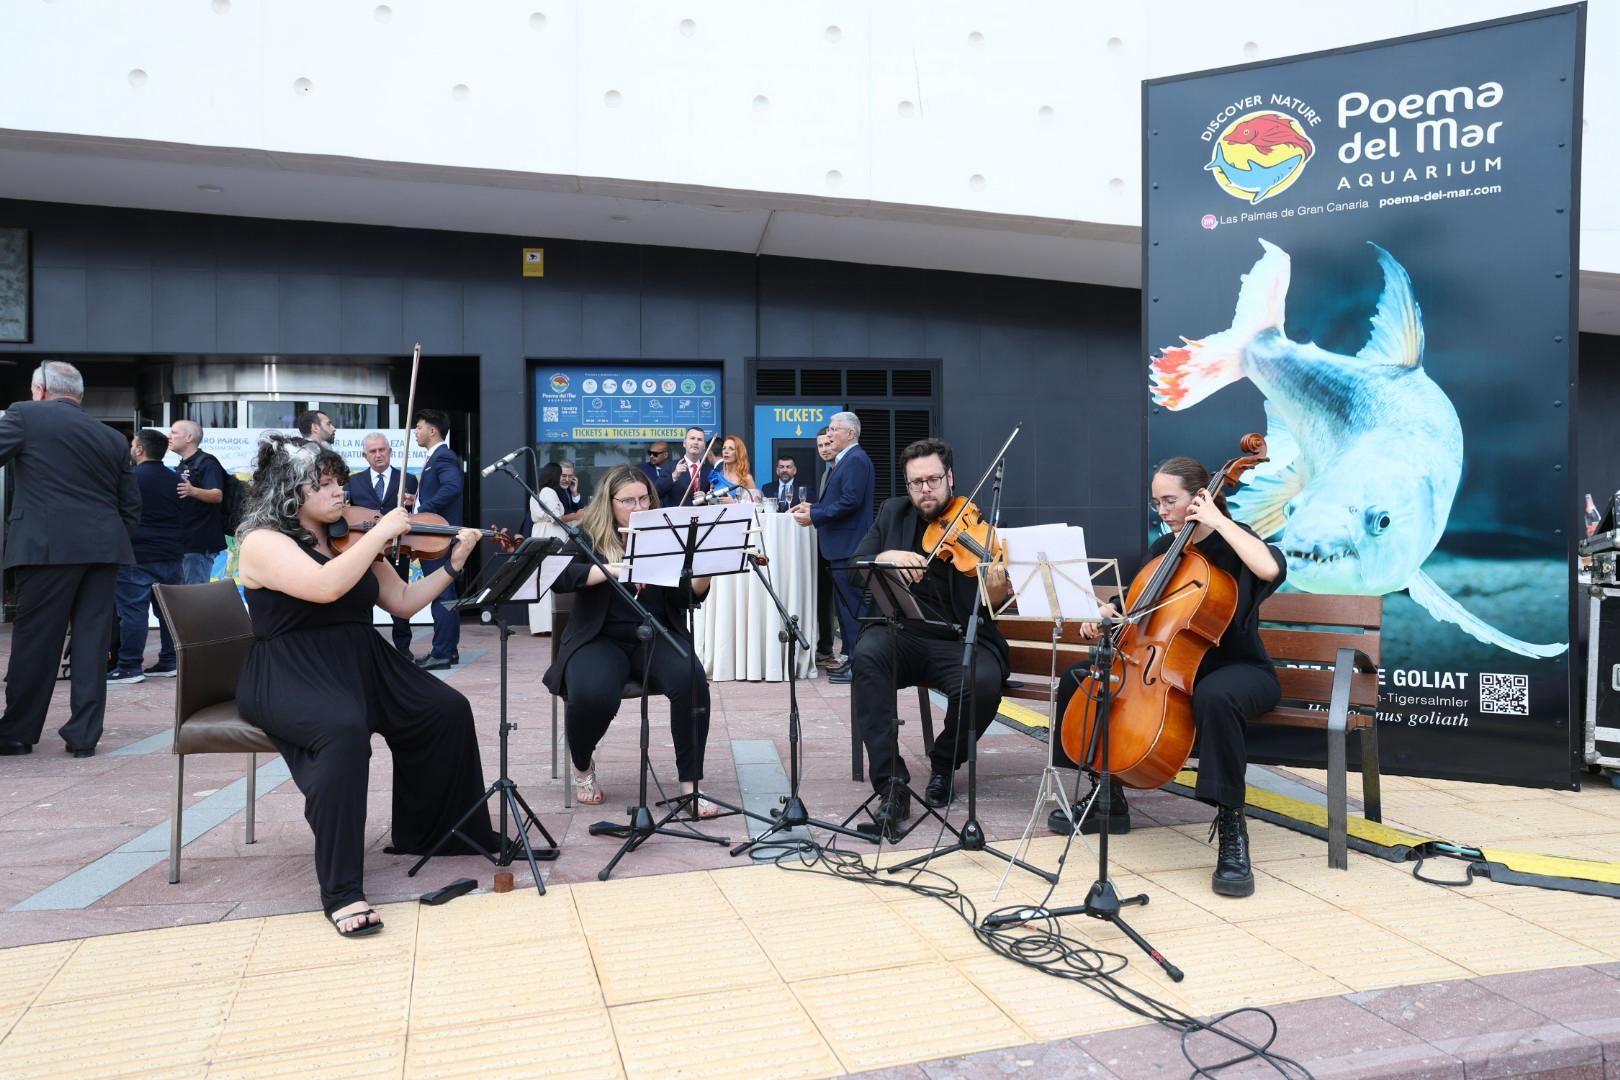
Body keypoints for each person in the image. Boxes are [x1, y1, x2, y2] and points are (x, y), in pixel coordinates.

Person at [235, 434, 497, 937]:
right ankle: (341, 890)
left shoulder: (350, 536)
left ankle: (433, 832)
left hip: (360, 657)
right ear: (289, 492)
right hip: (291, 666)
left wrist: (453, 566)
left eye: (339, 481)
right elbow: (324, 587)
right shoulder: (263, 541)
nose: (340, 492)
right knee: (343, 734)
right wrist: (378, 536)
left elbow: (402, 602)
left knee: (444, 709)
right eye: (326, 484)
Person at [1048, 456, 1285, 899]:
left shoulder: (1237, 544)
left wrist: (1216, 519)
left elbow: (1270, 569)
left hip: (1236, 670)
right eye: (1157, 502)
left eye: (1170, 500)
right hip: (1168, 667)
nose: (1162, 510)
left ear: (1199, 498)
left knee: (1215, 696)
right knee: (1082, 677)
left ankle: (1232, 825)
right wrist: (1106, 616)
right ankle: (1107, 796)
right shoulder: (1164, 551)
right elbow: (1135, 609)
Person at [848, 438, 1009, 835]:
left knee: (983, 682)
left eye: (933, 480)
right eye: (916, 482)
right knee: (867, 657)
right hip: (904, 633)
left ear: (949, 478)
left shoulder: (975, 525)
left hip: (959, 638)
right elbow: (857, 565)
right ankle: (892, 786)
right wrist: (887, 557)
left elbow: (993, 606)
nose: (925, 490)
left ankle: (943, 762)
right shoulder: (893, 513)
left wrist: (998, 585)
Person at [541, 465, 718, 815]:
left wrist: (704, 574)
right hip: (599, 637)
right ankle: (582, 765)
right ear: (609, 503)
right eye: (628, 501)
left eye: (644, 499)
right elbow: (559, 577)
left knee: (692, 680)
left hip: (654, 632)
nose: (639, 508)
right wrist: (609, 570)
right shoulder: (588, 536)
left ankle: (689, 785)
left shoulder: (667, 535)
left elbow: (684, 597)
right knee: (593, 695)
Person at [0, 363, 141, 757]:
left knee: (36, 641)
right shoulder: (112, 437)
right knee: (92, 642)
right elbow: (131, 506)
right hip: (103, 548)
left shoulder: (25, 415)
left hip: (46, 548)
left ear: (40, 389)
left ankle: (17, 732)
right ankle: (83, 736)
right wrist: (107, 538)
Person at [792, 411, 873, 683]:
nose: (829, 434)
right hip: (841, 547)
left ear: (850, 433)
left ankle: (859, 664)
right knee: (847, 609)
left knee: (852, 610)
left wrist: (815, 516)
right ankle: (852, 659)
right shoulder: (847, 461)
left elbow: (851, 501)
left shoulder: (855, 460)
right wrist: (814, 508)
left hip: (848, 547)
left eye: (834, 429)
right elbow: (843, 500)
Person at [110, 428, 187, 684]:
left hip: (137, 554)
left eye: (133, 444)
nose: (132, 448)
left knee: (133, 611)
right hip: (172, 554)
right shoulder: (177, 479)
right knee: (168, 611)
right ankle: (169, 661)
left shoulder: (129, 478)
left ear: (140, 449)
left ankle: (130, 666)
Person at [345, 432, 419, 659]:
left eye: (382, 450)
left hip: (398, 549)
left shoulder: (408, 479)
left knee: (401, 597)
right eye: (373, 451)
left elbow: (413, 515)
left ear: (390, 451)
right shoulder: (352, 482)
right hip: (367, 552)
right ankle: (367, 648)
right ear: (365, 456)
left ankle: (403, 650)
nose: (378, 455)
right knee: (364, 599)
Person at [412, 409, 464, 670]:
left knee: (440, 593)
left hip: (436, 536)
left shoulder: (442, 455)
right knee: (445, 593)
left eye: (419, 427)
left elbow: (453, 487)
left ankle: (442, 652)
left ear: (433, 430)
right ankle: (448, 650)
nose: (416, 432)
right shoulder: (437, 456)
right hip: (435, 535)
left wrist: (424, 510)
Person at [168, 418, 227, 584]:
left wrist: (192, 491)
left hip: (199, 544)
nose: (169, 436)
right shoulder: (184, 464)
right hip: (184, 542)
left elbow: (217, 495)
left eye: (173, 432)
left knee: (195, 596)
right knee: (184, 597)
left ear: (189, 437)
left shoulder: (207, 463)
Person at [525, 462, 571, 635]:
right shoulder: (550, 492)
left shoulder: (539, 492)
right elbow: (555, 517)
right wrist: (578, 515)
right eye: (561, 474)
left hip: (540, 533)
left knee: (540, 579)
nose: (563, 478)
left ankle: (541, 625)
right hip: (549, 535)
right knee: (550, 578)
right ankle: (548, 625)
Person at [812, 427, 839, 667]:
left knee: (839, 600)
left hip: (842, 546)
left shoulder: (843, 470)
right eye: (820, 446)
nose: (824, 449)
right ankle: (825, 648)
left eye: (828, 444)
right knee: (825, 598)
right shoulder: (825, 474)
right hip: (824, 545)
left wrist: (812, 512)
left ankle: (843, 653)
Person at [668, 426, 717, 506]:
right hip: (677, 517)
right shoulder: (670, 467)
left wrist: (707, 498)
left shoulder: (709, 471)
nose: (695, 442)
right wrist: (674, 476)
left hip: (702, 517)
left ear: (704, 446)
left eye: (699, 439)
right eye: (692, 438)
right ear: (684, 443)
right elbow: (658, 492)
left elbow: (717, 500)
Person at [711, 435, 758, 503]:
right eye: (724, 448)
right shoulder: (716, 477)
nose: (726, 451)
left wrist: (734, 502)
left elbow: (755, 505)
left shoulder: (746, 478)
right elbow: (713, 501)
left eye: (731, 449)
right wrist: (710, 497)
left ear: (739, 453)